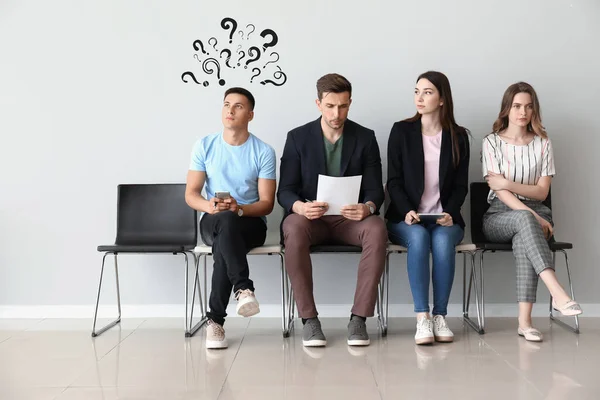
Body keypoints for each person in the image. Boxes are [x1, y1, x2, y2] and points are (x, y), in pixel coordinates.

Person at [278, 73, 387, 348]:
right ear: (318, 104)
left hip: (350, 221)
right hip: (311, 221)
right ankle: (309, 320)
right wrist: (300, 207)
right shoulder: (297, 138)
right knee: (292, 225)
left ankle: (359, 319)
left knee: (376, 228)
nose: (336, 113)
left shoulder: (365, 138)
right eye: (330, 106)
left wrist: (368, 207)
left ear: (350, 103)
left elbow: (376, 190)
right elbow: (285, 191)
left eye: (343, 106)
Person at [481, 82, 582, 342]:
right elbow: (499, 193)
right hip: (499, 215)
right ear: (507, 109)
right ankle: (557, 293)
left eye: (528, 106)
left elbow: (542, 192)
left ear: (534, 110)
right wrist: (533, 216)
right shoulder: (491, 142)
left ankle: (525, 323)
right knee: (526, 220)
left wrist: (508, 183)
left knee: (524, 239)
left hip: (536, 212)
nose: (522, 112)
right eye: (516, 106)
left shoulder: (543, 144)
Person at [185, 87, 276, 349]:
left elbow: (267, 204)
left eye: (238, 106)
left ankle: (215, 323)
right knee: (224, 224)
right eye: (226, 105)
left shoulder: (264, 151)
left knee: (226, 236)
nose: (230, 110)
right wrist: (209, 205)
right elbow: (191, 195)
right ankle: (243, 290)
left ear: (250, 114)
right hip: (213, 219)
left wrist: (238, 209)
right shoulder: (204, 145)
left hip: (250, 221)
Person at [386, 71, 470, 345]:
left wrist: (450, 212)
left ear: (442, 99)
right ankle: (422, 318)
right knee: (420, 238)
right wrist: (408, 210)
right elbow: (394, 181)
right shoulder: (401, 131)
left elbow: (460, 186)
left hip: (444, 218)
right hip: (406, 218)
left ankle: (440, 316)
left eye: (428, 92)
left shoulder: (458, 137)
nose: (419, 98)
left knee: (444, 242)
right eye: (416, 91)